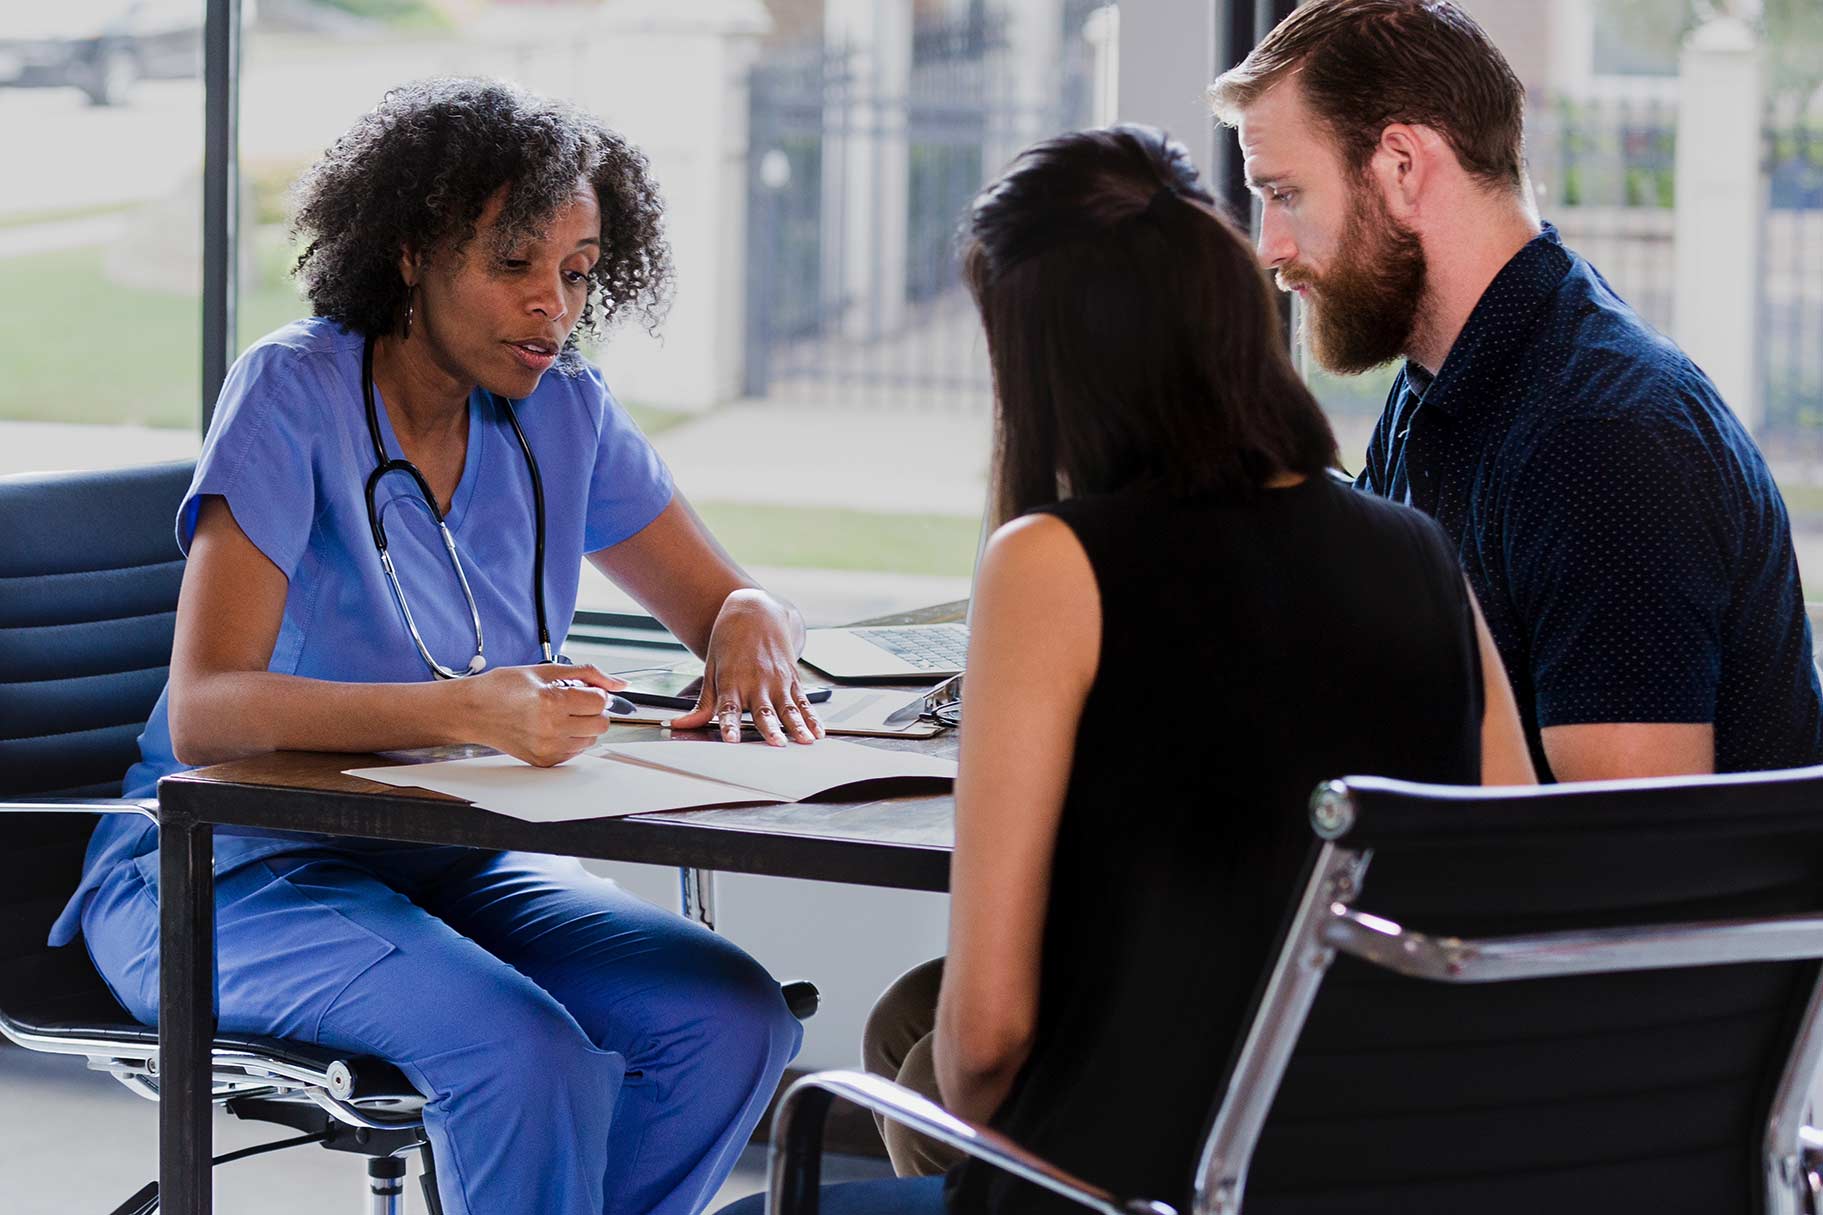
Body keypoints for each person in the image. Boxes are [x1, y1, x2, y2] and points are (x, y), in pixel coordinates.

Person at [721, 124, 1532, 1215]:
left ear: (1045, 356)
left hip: (1129, 1187)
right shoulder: (1421, 554)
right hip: (1375, 1172)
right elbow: (1512, 897)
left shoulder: (1052, 562)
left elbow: (988, 1045)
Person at [47, 78, 819, 1215]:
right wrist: (463, 713)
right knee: (523, 1053)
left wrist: (751, 613)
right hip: (228, 877)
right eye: (513, 266)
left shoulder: (563, 412)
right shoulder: (292, 393)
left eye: (578, 271)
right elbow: (208, 710)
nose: (551, 309)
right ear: (409, 252)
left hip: (451, 858)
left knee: (728, 1020)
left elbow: (725, 601)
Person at [1209, 0, 1823, 782]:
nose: (1269, 248)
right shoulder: (1443, 384)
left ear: (1401, 166)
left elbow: (1628, 861)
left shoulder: (1600, 440)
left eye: (1284, 194)